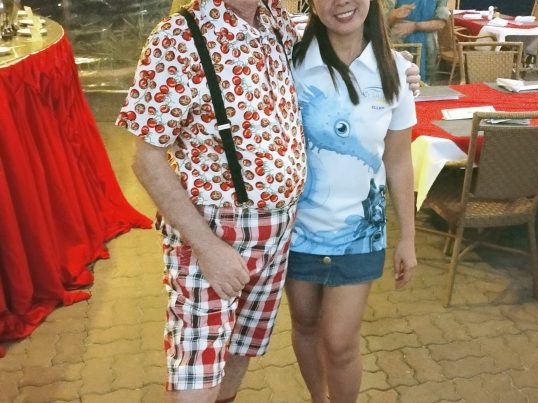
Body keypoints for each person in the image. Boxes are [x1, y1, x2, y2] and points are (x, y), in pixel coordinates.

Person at [117, 0, 420, 402]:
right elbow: (145, 157)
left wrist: (399, 66)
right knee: (197, 375)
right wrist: (206, 246)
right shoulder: (178, 37)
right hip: (216, 235)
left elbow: (346, 33)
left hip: (281, 238)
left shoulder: (277, 24)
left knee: (239, 352)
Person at [284, 0, 418, 402]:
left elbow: (398, 160)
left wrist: (407, 238)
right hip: (296, 231)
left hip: (360, 235)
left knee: (340, 342)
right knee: (305, 325)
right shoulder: (289, 63)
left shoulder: (395, 70)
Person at [384, 0, 450, 83]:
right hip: (398, 45)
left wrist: (415, 26)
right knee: (396, 80)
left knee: (425, 83)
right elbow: (381, 22)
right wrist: (393, 15)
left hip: (428, 47)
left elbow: (441, 23)